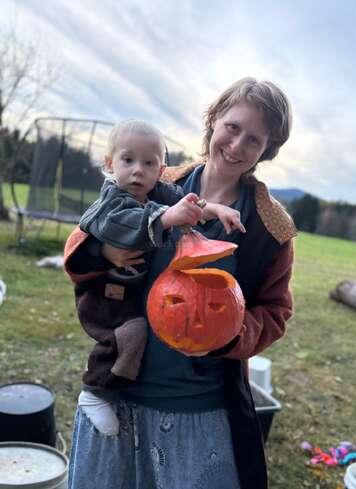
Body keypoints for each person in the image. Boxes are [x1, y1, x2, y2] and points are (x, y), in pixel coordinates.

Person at [64, 77, 297, 489]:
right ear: (214, 121)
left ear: (267, 150)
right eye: (233, 127)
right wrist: (104, 254)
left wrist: (231, 334)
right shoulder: (152, 177)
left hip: (199, 406)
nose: (238, 145)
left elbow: (276, 312)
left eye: (254, 140)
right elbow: (81, 241)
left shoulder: (271, 227)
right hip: (118, 392)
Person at [73, 119, 246, 437]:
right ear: (110, 164)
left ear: (161, 168)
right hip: (105, 295)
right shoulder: (111, 199)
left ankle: (107, 389)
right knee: (129, 333)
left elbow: (187, 205)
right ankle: (95, 392)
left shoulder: (160, 191)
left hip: (131, 291)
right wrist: (165, 218)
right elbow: (115, 226)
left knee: (133, 332)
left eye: (149, 163)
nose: (138, 170)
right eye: (128, 160)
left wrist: (214, 209)